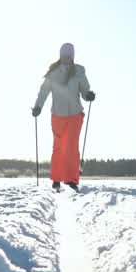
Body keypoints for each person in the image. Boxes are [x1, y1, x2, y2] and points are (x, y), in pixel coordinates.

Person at [33, 43, 96, 191]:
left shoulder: (79, 72)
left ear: (72, 57)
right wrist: (38, 107)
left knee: (72, 147)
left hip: (75, 115)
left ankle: (71, 179)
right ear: (60, 56)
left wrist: (88, 95)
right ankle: (56, 179)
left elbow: (85, 91)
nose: (66, 58)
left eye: (68, 56)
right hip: (57, 115)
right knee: (58, 147)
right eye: (63, 56)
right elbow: (43, 92)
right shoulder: (53, 73)